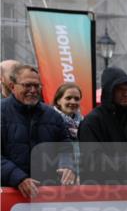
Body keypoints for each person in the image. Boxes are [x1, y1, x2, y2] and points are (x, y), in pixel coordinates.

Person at [1, 64, 76, 196]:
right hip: (10, 196)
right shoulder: (2, 112)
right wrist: (18, 178)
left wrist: (67, 166)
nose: (33, 90)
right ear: (12, 87)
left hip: (48, 196)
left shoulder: (53, 115)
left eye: (37, 85)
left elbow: (65, 146)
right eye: (27, 85)